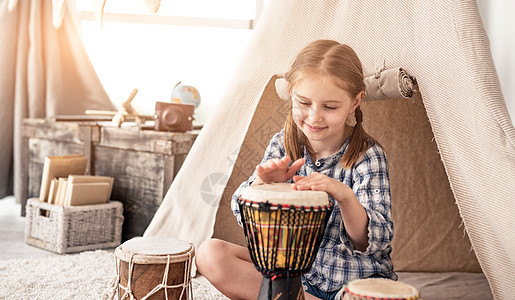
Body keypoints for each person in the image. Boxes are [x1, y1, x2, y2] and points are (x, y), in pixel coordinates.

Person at [195, 39, 397, 300]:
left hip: (353, 283)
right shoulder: (283, 144)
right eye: (304, 102)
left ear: (354, 102)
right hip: (297, 278)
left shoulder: (368, 156)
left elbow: (370, 242)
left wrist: (344, 196)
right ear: (291, 93)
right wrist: (262, 184)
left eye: (330, 107)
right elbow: (245, 217)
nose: (314, 117)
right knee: (210, 254)